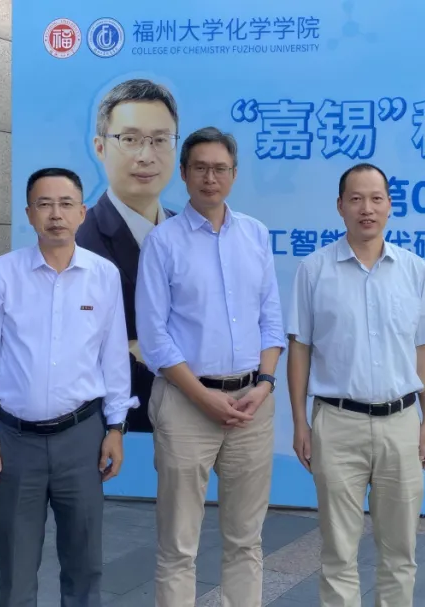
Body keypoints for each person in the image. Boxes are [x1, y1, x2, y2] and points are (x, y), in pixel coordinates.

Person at [0, 167, 136, 607]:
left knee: (84, 563)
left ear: (82, 212)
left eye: (65, 204)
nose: (55, 214)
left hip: (82, 438)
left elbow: (114, 358)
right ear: (29, 213)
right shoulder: (4, 273)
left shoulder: (103, 274)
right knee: (16, 566)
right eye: (44, 204)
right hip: (15, 440)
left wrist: (116, 427)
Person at [135, 126, 285, 606]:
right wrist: (204, 397)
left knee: (246, 540)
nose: (210, 177)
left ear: (234, 175)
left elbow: (272, 321)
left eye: (220, 168)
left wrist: (264, 384)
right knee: (178, 544)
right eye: (200, 168)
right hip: (186, 404)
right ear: (183, 173)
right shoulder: (162, 241)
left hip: (251, 406)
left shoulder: (255, 234)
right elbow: (154, 337)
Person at [287, 162, 425, 607]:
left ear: (390, 205)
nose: (366, 209)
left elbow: (424, 350)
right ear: (340, 206)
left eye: (376, 199)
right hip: (337, 423)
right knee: (338, 552)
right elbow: (300, 349)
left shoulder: (414, 269)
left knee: (400, 552)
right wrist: (299, 422)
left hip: (401, 423)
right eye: (356, 199)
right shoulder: (314, 269)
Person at [77, 78, 181, 434]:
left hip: (193, 419)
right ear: (100, 147)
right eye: (130, 139)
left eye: (160, 140)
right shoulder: (80, 240)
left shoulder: (187, 232)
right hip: (119, 425)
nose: (146, 155)